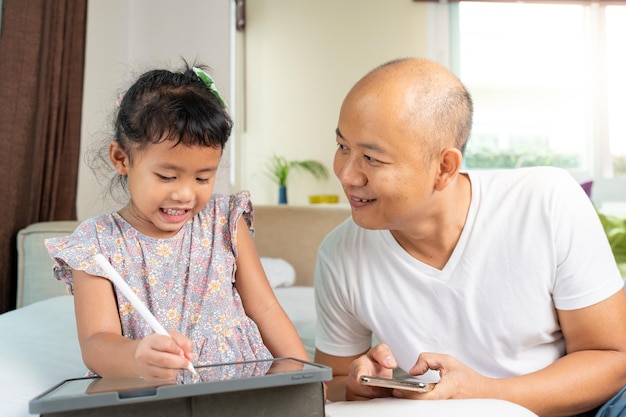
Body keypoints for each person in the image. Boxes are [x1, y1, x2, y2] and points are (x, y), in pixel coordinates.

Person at [313, 57, 626, 416]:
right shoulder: (340, 253)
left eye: (371, 158)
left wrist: (485, 394)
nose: (348, 175)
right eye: (342, 147)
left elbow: (613, 360)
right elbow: (335, 379)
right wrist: (357, 387)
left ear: (445, 167)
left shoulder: (546, 200)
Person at [46, 62, 308, 383]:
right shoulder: (96, 243)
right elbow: (96, 341)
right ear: (121, 159)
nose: (185, 194)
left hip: (242, 385)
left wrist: (302, 376)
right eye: (167, 176)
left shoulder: (224, 221)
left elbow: (265, 309)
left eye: (203, 177)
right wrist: (136, 357)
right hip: (153, 391)